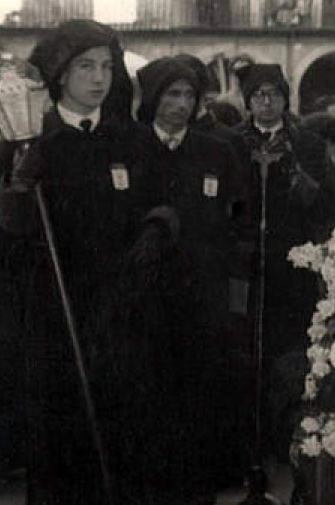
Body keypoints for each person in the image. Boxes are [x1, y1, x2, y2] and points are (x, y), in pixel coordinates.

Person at [0, 20, 184, 503]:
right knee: (64, 440)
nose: (98, 77)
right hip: (59, 316)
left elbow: (165, 200)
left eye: (106, 66)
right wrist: (18, 183)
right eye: (85, 66)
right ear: (59, 74)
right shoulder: (30, 142)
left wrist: (157, 230)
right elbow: (7, 229)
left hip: (124, 315)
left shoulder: (132, 141)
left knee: (124, 435)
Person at [135, 55, 252, 496]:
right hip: (145, 297)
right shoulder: (132, 148)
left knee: (198, 395)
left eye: (189, 96)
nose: (182, 105)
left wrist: (234, 292)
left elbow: (240, 215)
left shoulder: (217, 152)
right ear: (153, 98)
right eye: (172, 95)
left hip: (202, 296)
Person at [234, 63, 335, 461]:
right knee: (247, 350)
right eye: (259, 94)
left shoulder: (307, 145)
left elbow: (330, 202)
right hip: (245, 266)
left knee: (291, 350)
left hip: (291, 265)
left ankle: (286, 440)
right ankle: (248, 443)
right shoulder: (230, 144)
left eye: (274, 94)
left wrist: (303, 184)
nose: (266, 101)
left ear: (284, 99)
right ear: (248, 101)